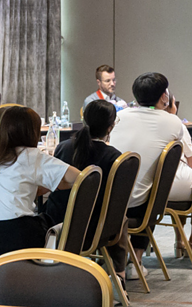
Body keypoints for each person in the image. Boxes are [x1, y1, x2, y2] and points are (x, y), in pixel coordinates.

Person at [0, 106, 79, 262]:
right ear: (32, 132)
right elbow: (80, 177)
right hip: (21, 241)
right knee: (53, 216)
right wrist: (52, 185)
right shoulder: (32, 155)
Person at [108, 72, 192, 280]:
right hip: (142, 206)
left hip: (108, 201)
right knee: (155, 189)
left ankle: (111, 259)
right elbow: (186, 160)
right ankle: (136, 261)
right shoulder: (174, 122)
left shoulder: (119, 116)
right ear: (164, 96)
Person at [44, 100, 129, 289]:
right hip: (95, 230)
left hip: (57, 224)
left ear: (84, 120)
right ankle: (119, 275)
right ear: (110, 127)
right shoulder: (114, 157)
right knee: (120, 217)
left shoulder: (63, 147)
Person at [164, 93, 192, 258]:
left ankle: (179, 241)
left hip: (148, 193)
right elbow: (190, 162)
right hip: (177, 188)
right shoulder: (178, 126)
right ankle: (191, 241)